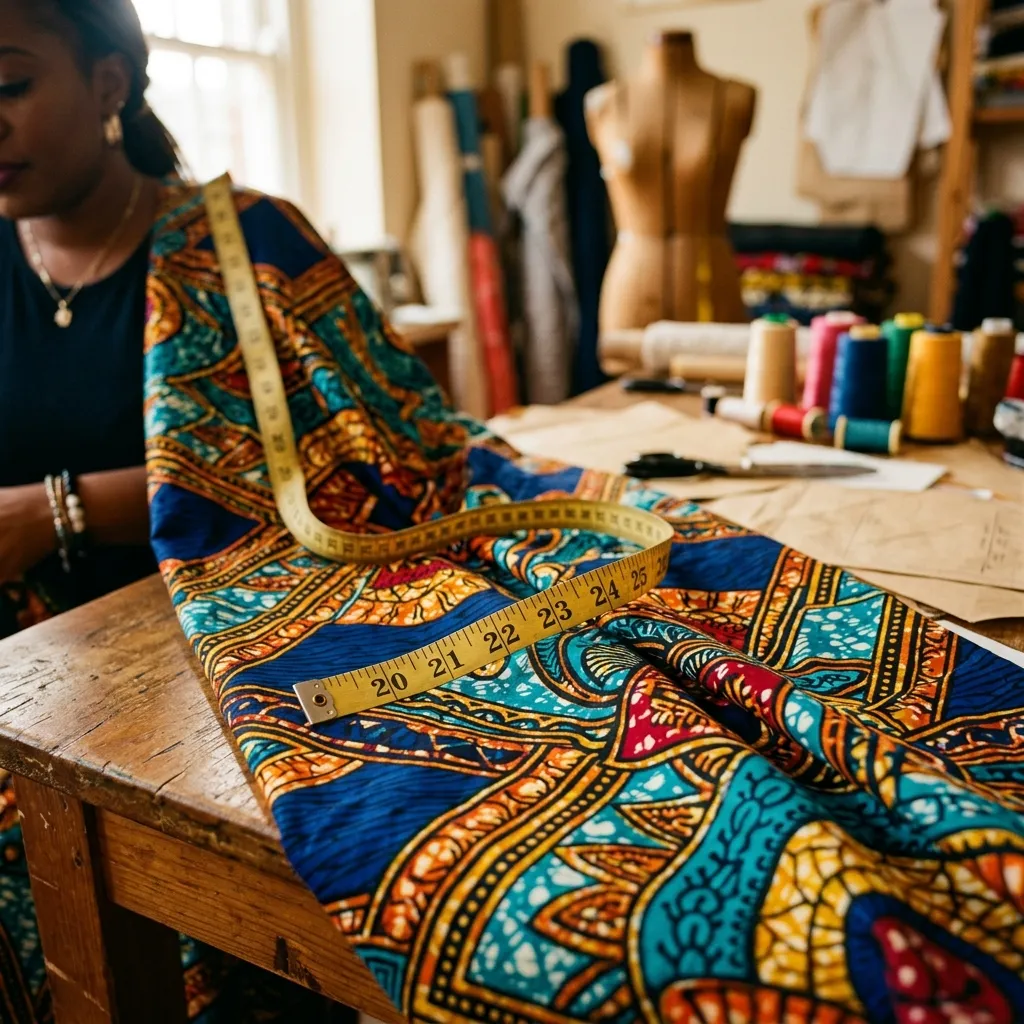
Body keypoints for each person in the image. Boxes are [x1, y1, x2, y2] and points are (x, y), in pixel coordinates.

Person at [0, 1, 349, 1019]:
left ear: (109, 83)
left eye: (10, 86)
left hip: (213, 692)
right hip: (27, 692)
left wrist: (56, 513)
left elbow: (357, 478)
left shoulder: (250, 250)